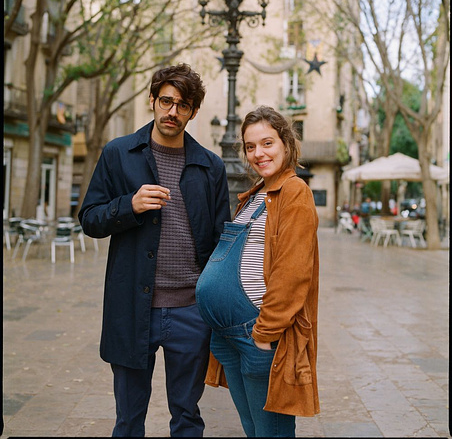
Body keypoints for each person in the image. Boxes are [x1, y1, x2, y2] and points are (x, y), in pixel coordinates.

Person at [78, 62, 231, 437]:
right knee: (128, 420)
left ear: (193, 112)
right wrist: (127, 205)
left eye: (183, 105)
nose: (172, 112)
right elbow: (90, 218)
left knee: (187, 417)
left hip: (190, 313)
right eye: (166, 101)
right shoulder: (118, 154)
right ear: (152, 100)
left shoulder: (210, 167)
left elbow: (220, 245)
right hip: (132, 309)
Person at [196, 105, 320, 438]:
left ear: (286, 144)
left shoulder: (295, 193)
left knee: (272, 433)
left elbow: (292, 274)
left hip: (257, 336)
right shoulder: (254, 196)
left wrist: (265, 335)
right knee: (253, 429)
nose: (258, 154)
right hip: (226, 337)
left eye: (267, 143)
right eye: (250, 146)